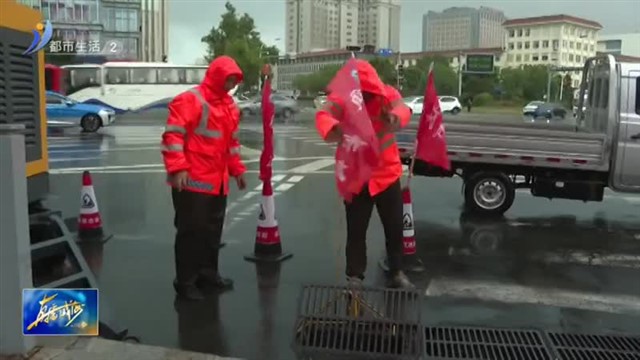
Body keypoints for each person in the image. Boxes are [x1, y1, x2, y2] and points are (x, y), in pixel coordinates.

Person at [315, 59, 415, 289]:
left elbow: (402, 107)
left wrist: (395, 117)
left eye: (368, 91)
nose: (365, 96)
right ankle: (355, 277)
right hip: (358, 176)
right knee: (356, 230)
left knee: (394, 228)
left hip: (386, 174)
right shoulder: (342, 99)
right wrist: (335, 127)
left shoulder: (387, 94)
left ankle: (397, 272)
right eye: (360, 92)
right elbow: (323, 114)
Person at [161, 56, 247, 300]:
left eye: (235, 80)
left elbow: (231, 143)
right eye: (229, 79)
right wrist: (178, 169)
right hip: (191, 180)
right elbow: (173, 136)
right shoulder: (191, 99)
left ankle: (208, 275)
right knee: (191, 232)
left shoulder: (229, 106)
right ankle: (186, 282)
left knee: (211, 232)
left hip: (217, 182)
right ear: (218, 76)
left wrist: (237, 170)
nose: (231, 84)